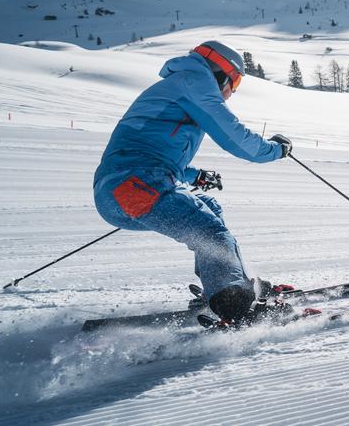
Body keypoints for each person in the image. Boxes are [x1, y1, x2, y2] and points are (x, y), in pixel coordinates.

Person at [93, 40, 292, 323]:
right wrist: (274, 150)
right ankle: (232, 303)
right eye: (233, 84)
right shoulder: (195, 81)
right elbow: (232, 135)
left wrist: (193, 175)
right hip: (135, 185)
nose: (230, 93)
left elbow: (150, 152)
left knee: (210, 208)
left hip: (123, 189)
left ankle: (226, 285)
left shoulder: (181, 84)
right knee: (211, 234)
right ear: (222, 72)